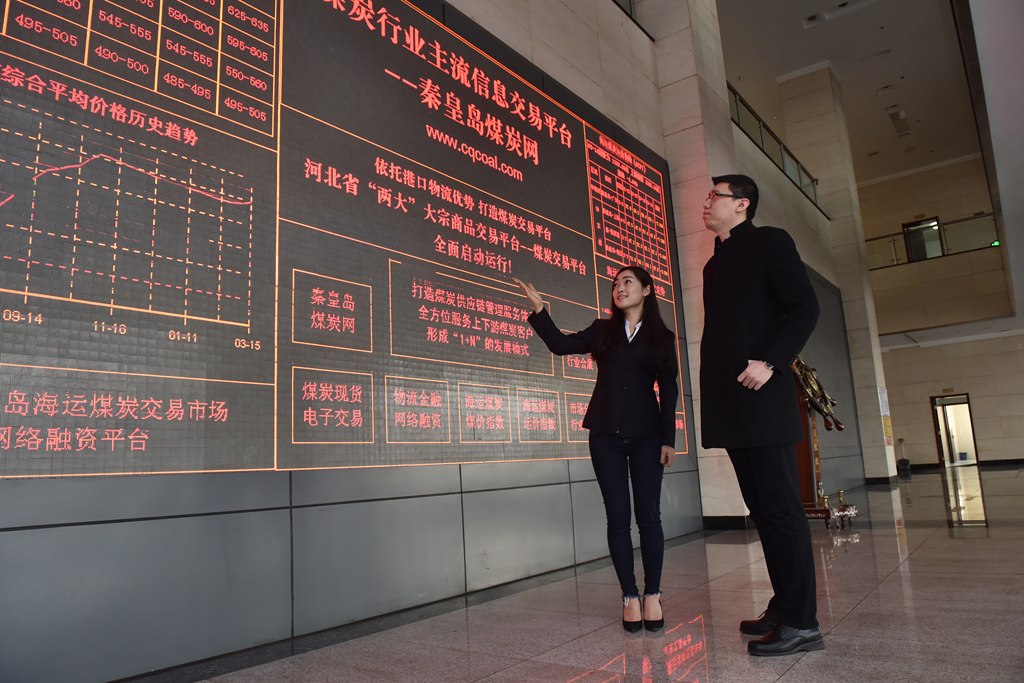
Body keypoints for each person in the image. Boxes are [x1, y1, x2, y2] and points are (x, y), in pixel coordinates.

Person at [513, 266, 678, 633]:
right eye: (615, 283)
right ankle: (629, 596)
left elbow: (669, 391)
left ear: (646, 290)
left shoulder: (662, 337)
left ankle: (653, 593)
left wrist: (669, 439)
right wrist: (539, 310)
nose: (619, 288)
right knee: (617, 517)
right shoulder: (602, 330)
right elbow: (560, 345)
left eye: (627, 282)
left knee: (649, 517)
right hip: (605, 436)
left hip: (648, 437)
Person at [699, 174, 823, 656]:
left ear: (742, 204)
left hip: (763, 398)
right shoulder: (714, 264)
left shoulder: (770, 242)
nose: (707, 202)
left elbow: (804, 308)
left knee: (782, 510)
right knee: (763, 512)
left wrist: (771, 361)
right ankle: (784, 604)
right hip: (732, 404)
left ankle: (802, 623)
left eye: (715, 195)